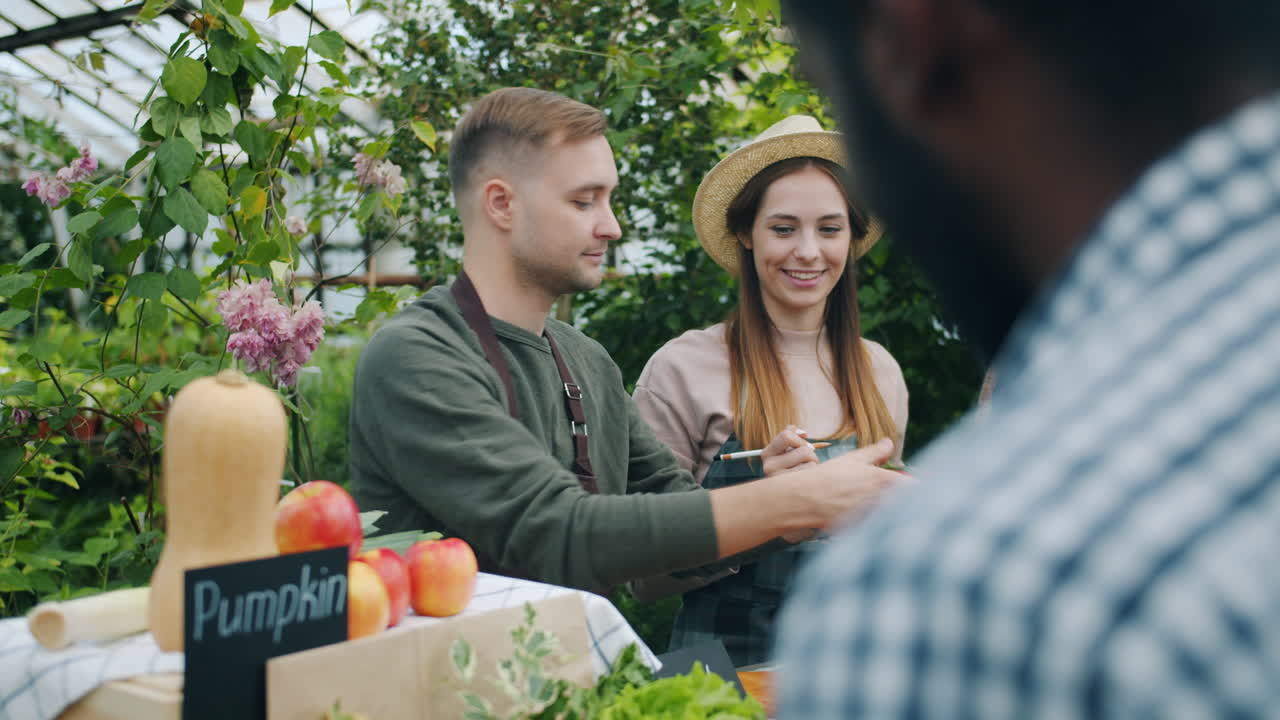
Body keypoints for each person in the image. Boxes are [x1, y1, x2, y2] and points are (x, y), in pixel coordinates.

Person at [773, 1, 1280, 717]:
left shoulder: (955, 590)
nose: (809, 250)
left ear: (916, 36)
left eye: (828, 80)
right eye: (784, 227)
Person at [348, 87, 904, 595]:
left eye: (609, 200)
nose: (612, 226)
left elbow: (677, 514)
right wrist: (793, 502)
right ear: (501, 204)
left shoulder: (586, 362)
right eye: (584, 201)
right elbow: (559, 531)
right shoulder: (419, 356)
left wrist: (802, 499)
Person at [630, 115, 909, 666]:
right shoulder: (683, 368)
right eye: (783, 228)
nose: (808, 251)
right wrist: (760, 511)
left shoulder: (880, 373)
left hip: (854, 674)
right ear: (745, 234)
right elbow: (641, 576)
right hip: (721, 685)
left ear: (850, 238)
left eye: (829, 229)